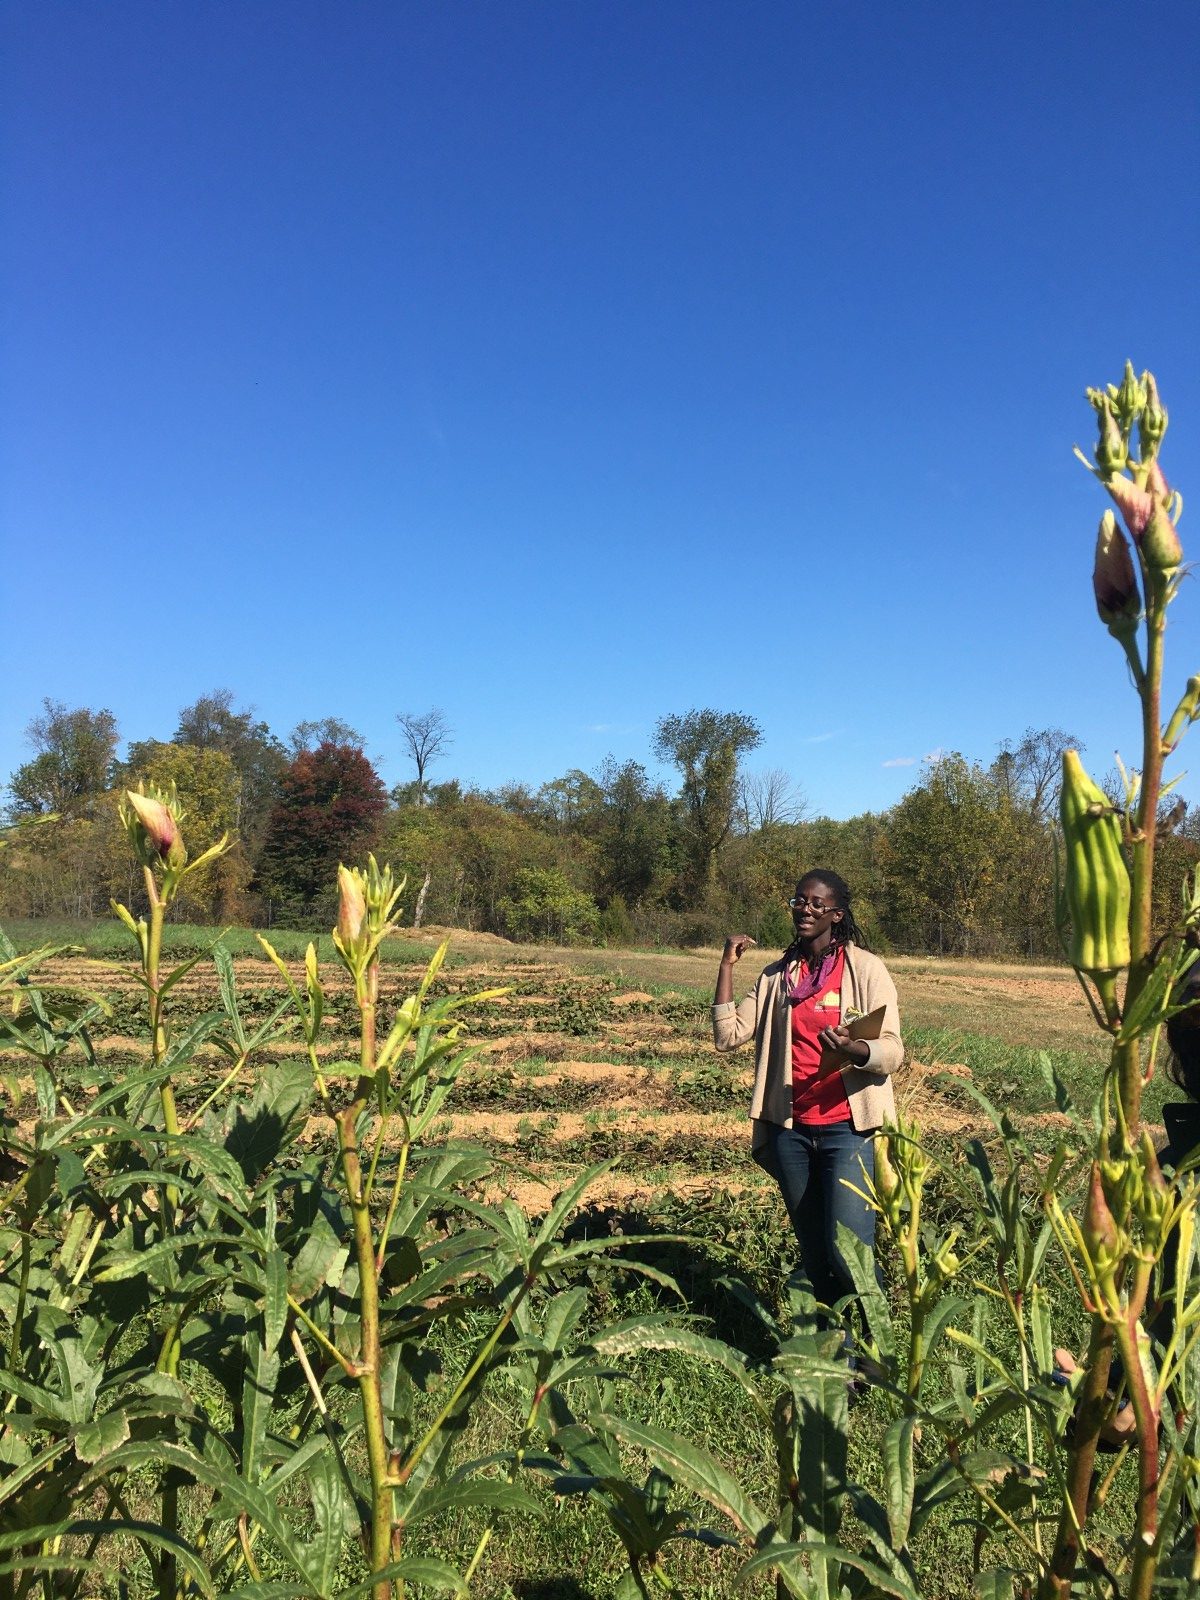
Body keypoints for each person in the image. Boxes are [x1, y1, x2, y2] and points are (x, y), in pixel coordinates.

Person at [712, 868, 903, 1325]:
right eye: (800, 901)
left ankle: (878, 1353)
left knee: (850, 1254)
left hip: (848, 1131)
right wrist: (726, 967)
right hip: (792, 1133)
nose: (806, 910)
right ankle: (836, 1356)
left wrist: (855, 1049)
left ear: (837, 914)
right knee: (816, 1259)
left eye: (818, 904)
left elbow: (893, 1050)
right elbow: (727, 1035)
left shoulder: (866, 970)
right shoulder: (779, 976)